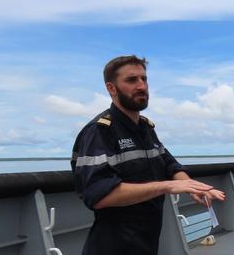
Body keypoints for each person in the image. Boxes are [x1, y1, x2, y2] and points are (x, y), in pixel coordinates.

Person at [71, 55, 225, 255]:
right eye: (132, 80)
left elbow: (169, 165)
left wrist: (191, 187)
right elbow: (99, 194)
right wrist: (168, 186)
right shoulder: (99, 132)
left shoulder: (145, 128)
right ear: (111, 88)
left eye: (144, 79)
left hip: (147, 244)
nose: (141, 86)